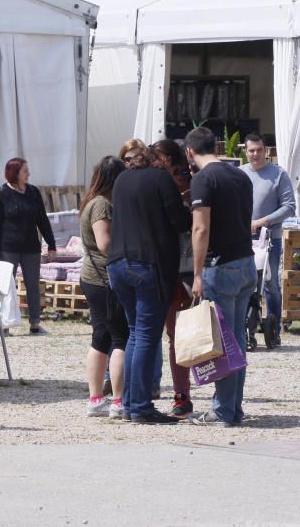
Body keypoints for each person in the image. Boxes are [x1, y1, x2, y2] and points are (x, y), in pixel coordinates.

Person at [107, 142, 190, 424]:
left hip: (118, 263)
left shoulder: (122, 180)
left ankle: (131, 403)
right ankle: (140, 406)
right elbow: (179, 221)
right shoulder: (160, 178)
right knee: (145, 336)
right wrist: (191, 210)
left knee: (134, 333)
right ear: (162, 160)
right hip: (148, 264)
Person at [184, 127, 257, 427]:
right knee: (236, 339)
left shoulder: (203, 179)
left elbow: (201, 229)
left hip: (220, 265)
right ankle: (233, 407)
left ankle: (223, 410)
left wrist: (197, 273)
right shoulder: (241, 175)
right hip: (246, 262)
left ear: (190, 152)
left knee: (223, 342)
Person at [78, 157, 129, 419]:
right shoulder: (102, 205)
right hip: (104, 279)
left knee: (101, 337)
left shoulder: (92, 200)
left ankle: (96, 398)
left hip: (93, 277)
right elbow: (104, 243)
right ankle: (118, 401)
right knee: (119, 337)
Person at [149, 139, 195, 418]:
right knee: (159, 336)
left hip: (185, 268)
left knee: (179, 338)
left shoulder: (188, 181)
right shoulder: (155, 183)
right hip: (162, 268)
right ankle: (154, 390)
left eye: (159, 157)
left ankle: (182, 394)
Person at [240, 133, 296, 348]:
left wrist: (263, 221)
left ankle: (273, 328)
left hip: (269, 239)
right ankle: (246, 326)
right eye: (251, 150)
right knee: (246, 283)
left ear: (266, 151)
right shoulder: (240, 173)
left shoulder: (278, 174)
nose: (255, 154)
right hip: (243, 239)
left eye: (259, 150)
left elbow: (289, 207)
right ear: (245, 151)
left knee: (270, 284)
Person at [0, 157, 56, 335]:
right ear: (15, 173)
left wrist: (51, 244)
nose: (29, 174)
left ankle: (35, 323)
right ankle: (4, 323)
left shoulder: (33, 192)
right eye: (25, 171)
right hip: (7, 248)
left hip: (31, 248)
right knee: (5, 285)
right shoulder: (1, 194)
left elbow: (42, 219)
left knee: (33, 285)